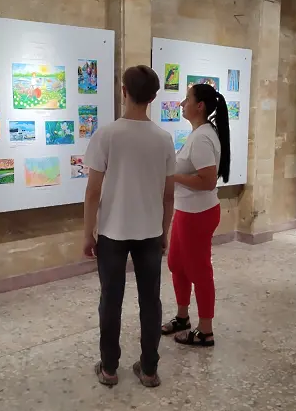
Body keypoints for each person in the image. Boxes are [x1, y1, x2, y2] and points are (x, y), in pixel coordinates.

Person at [84, 65, 176, 388]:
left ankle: (109, 368)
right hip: (150, 232)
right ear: (153, 97)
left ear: (124, 91)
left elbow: (93, 191)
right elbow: (168, 195)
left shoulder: (106, 135)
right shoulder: (164, 139)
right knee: (150, 301)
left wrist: (87, 233)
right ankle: (149, 369)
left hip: (112, 231)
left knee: (111, 300)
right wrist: (164, 231)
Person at [161, 84, 230, 347]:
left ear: (199, 106)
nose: (182, 104)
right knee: (177, 263)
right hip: (187, 210)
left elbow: (208, 181)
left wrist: (172, 177)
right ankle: (182, 317)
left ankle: (205, 330)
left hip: (198, 213)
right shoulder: (198, 133)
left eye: (187, 99)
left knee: (199, 270)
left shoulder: (202, 138)